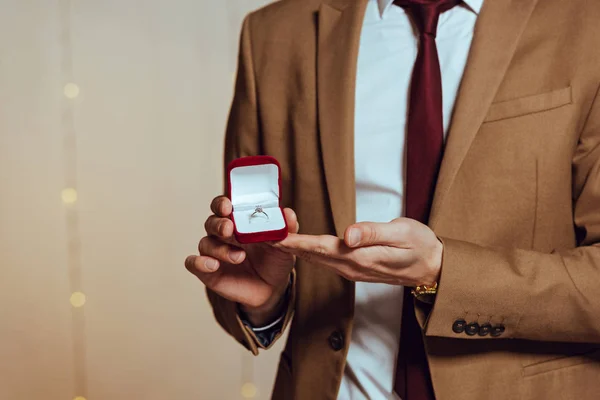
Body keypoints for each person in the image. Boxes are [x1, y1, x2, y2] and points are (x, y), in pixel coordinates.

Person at [185, 0, 600, 398]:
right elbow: (245, 251)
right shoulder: (274, 34)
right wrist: (266, 302)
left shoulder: (585, 23)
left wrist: (444, 273)